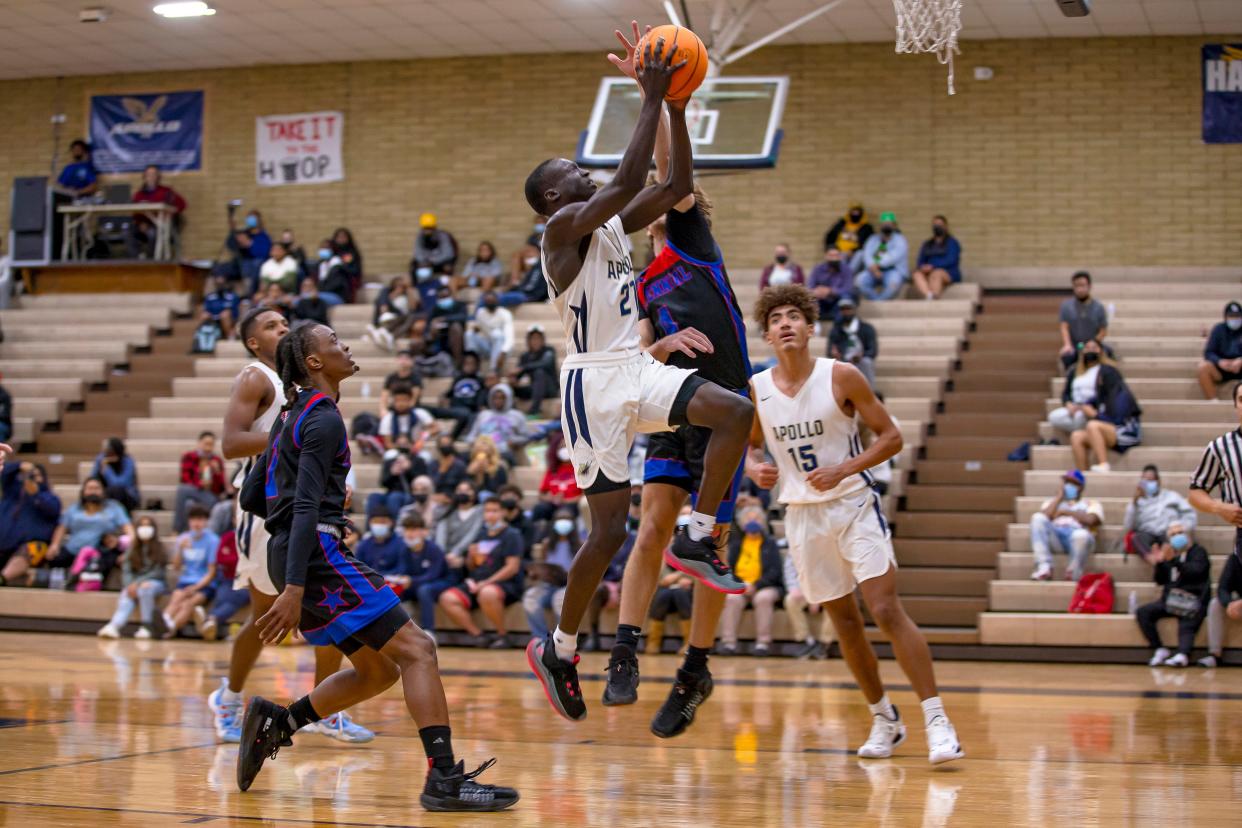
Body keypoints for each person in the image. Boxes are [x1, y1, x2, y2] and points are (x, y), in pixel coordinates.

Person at [522, 33, 753, 723]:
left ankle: (700, 531)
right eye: (573, 167)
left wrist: (676, 106)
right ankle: (560, 648)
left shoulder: (615, 229)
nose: (584, 169)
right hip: (593, 385)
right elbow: (624, 182)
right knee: (608, 534)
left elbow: (675, 187)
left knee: (735, 412)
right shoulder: (562, 229)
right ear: (556, 193)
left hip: (636, 368)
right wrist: (647, 95)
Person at [234, 321, 519, 810]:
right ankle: (444, 780)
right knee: (420, 650)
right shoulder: (322, 418)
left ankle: (280, 722)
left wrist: (300, 538)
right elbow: (302, 507)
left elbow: (251, 495)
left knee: (377, 671)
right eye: (334, 342)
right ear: (315, 362)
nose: (344, 346)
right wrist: (299, 583)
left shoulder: (287, 417)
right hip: (316, 556)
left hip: (291, 552)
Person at [594, 31, 755, 732]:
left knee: (705, 548)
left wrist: (657, 98)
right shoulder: (635, 276)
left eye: (668, 191)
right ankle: (625, 650)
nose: (660, 193)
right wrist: (661, 341)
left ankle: (695, 667)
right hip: (676, 408)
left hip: (725, 410)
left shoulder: (693, 242)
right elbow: (635, 349)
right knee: (652, 525)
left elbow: (673, 174)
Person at [744, 283, 963, 765]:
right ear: (766, 335)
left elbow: (892, 437)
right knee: (843, 623)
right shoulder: (757, 390)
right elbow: (752, 445)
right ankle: (885, 718)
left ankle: (936, 719)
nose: (785, 323)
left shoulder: (842, 376)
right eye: (776, 318)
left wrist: (844, 467)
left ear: (810, 326)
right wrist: (754, 465)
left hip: (853, 505)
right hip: (801, 515)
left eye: (793, 316)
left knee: (884, 609)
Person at [208, 306, 373, 745]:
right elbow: (230, 444)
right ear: (253, 343)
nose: (281, 328)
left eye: (285, 323)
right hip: (266, 510)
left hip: (309, 507)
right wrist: (294, 432)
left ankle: (325, 708)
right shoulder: (255, 377)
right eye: (270, 326)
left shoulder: (303, 386)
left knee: (329, 603)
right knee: (266, 614)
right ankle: (229, 695)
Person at [1, 476, 132, 587]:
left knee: (105, 560)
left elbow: (128, 529)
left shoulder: (113, 507)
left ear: (103, 491)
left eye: (97, 488)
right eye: (89, 488)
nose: (93, 492)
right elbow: (62, 527)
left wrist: (129, 549)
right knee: (53, 558)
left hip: (99, 550)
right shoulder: (75, 508)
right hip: (73, 549)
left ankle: (78, 579)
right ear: (83, 491)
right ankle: (70, 577)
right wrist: (55, 545)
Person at [437, 497, 525, 648]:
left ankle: (503, 635)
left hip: (504, 584)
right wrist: (471, 557)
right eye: (487, 511)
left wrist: (487, 582)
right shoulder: (481, 533)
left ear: (503, 512)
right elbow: (473, 566)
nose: (490, 515)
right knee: (447, 598)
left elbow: (512, 568)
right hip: (477, 582)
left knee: (487, 593)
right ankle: (478, 636)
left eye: (494, 511)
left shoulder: (512, 535)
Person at [1135, 522, 1211, 668]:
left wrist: (1174, 561)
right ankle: (1159, 648)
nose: (1177, 536)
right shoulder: (1169, 554)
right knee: (1143, 612)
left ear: (1188, 535)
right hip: (1170, 600)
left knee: (1187, 618)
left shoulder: (1198, 552)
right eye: (1173, 534)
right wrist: (1159, 563)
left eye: (1180, 532)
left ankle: (1183, 654)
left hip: (1193, 599)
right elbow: (1160, 580)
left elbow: (1195, 572)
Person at [1064, 340, 1142, 473]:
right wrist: (1084, 407)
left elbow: (1117, 420)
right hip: (1110, 431)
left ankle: (1103, 464)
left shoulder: (1121, 397)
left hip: (1127, 432)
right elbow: (1091, 402)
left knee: (1092, 425)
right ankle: (1081, 475)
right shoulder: (1101, 394)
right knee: (1076, 436)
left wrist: (1095, 415)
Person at [717, 505, 785, 656]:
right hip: (741, 586)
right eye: (749, 518)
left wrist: (756, 585)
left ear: (762, 522)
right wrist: (742, 585)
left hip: (765, 586)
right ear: (742, 522)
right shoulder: (735, 544)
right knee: (731, 598)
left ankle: (763, 643)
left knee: (763, 598)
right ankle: (729, 643)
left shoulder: (770, 543)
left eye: (757, 518)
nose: (753, 521)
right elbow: (729, 570)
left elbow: (775, 571)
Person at [97, 516, 167, 639]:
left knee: (145, 590)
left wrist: (139, 583)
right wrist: (130, 585)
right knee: (126, 594)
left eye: (148, 526)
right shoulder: (132, 549)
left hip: (156, 583)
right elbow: (126, 570)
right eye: (142, 526)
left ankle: (147, 626)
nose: (145, 529)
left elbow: (158, 572)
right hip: (135, 584)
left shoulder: (159, 548)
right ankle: (114, 625)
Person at [1028, 469, 1103, 581]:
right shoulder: (1051, 503)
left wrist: (1065, 512)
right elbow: (1043, 519)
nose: (1069, 485)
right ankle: (1044, 567)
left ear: (1081, 487)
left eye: (1073, 483)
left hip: (1079, 540)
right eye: (1066, 482)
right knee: (1037, 518)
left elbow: (1091, 520)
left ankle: (1073, 572)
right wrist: (1058, 498)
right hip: (1057, 539)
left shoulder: (1091, 504)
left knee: (1080, 534)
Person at [160, 505, 219, 638]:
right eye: (193, 520)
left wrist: (195, 588)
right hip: (186, 581)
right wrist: (180, 549)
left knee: (188, 604)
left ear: (206, 522)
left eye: (200, 520)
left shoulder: (213, 540)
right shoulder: (183, 538)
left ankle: (170, 628)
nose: (196, 523)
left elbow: (211, 572)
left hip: (205, 584)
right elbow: (176, 567)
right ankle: (164, 622)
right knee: (176, 598)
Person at [0, 460, 61, 587]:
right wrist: (18, 466)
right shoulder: (12, 494)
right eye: (30, 474)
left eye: (37, 475)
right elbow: (4, 473)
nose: (33, 478)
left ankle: (2, 578)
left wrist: (35, 495)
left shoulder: (51, 498)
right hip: (4, 544)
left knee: (30, 549)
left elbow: (51, 510)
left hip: (33, 547)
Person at [523, 509, 579, 642]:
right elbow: (544, 565)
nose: (563, 523)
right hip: (548, 585)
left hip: (568, 586)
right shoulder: (547, 545)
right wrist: (537, 573)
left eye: (567, 519)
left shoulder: (580, 545)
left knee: (560, 600)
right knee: (530, 598)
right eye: (559, 519)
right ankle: (541, 638)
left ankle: (562, 640)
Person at [1123, 465, 1197, 561]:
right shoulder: (1136, 502)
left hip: (1167, 532)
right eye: (1144, 481)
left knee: (1177, 538)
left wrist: (1181, 526)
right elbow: (1129, 527)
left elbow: (1190, 514)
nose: (1147, 483)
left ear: (1158, 481)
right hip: (1147, 534)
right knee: (1136, 538)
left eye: (1150, 480)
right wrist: (1134, 503)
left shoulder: (1172, 496)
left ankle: (1163, 556)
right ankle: (1153, 559)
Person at [199, 529, 251, 642]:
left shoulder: (252, 535)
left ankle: (210, 619)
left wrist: (232, 558)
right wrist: (238, 559)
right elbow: (220, 559)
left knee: (235, 598)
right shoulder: (227, 536)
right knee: (222, 597)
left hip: (248, 581)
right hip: (228, 579)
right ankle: (211, 625)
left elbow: (250, 562)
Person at [783, 545, 835, 659]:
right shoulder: (796, 542)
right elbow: (789, 570)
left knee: (835, 605)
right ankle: (805, 640)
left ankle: (824, 643)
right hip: (804, 589)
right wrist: (793, 588)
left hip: (829, 589)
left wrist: (817, 597)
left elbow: (832, 574)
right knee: (790, 600)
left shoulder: (826, 544)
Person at [174, 431, 231, 533]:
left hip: (210, 496)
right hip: (195, 493)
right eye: (206, 444)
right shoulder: (189, 457)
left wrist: (217, 472)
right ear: (199, 443)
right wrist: (200, 483)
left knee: (183, 492)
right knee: (187, 500)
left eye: (211, 444)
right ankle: (181, 530)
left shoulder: (216, 460)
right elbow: (185, 479)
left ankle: (178, 530)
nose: (208, 447)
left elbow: (221, 488)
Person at [128, 165, 187, 259]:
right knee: (129, 229)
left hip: (160, 224)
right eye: (149, 174)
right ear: (144, 177)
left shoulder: (166, 191)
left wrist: (170, 213)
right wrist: (140, 224)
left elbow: (182, 204)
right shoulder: (139, 194)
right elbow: (135, 212)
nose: (151, 177)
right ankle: (135, 259)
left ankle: (153, 260)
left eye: (154, 174)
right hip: (143, 224)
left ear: (158, 176)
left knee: (153, 233)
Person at [1058, 271, 1109, 368]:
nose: (1080, 289)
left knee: (1108, 353)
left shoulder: (1098, 307)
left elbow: (1103, 330)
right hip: (1076, 346)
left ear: (1089, 286)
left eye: (1082, 285)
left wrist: (1093, 343)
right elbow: (1064, 327)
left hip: (1094, 345)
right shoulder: (1066, 306)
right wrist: (1067, 344)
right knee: (1067, 356)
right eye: (1076, 286)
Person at [464, 385, 529, 459]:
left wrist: (512, 441)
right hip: (482, 450)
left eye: (502, 398)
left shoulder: (517, 415)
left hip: (503, 452)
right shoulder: (483, 414)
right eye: (495, 398)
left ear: (508, 398)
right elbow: (470, 437)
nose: (498, 401)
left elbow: (526, 437)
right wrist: (476, 442)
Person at [856, 212, 909, 302]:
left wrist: (876, 265)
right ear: (880, 225)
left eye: (889, 224)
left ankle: (878, 302)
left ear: (895, 226)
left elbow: (893, 257)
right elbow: (866, 254)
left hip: (893, 270)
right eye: (884, 223)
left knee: (893, 285)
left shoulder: (900, 239)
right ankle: (877, 301)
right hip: (872, 270)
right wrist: (873, 267)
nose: (887, 226)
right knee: (859, 281)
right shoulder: (873, 239)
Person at [1201, 551, 1241, 668]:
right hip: (1239, 604)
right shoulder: (1234, 559)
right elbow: (1222, 588)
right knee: (1215, 604)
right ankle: (1215, 655)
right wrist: (1229, 604)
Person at [828, 296, 878, 388]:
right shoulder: (836, 330)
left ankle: (870, 393)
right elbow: (829, 351)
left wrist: (861, 356)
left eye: (848, 308)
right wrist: (834, 354)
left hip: (861, 360)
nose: (846, 312)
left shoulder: (866, 328)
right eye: (843, 309)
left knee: (867, 362)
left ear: (854, 309)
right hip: (843, 360)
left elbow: (872, 350)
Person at [1197, 301, 1242, 400]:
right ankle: (1213, 400)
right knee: (1203, 367)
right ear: (1225, 317)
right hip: (1222, 368)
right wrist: (1219, 361)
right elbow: (1208, 352)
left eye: (1237, 316)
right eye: (1232, 316)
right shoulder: (1218, 329)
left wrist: (1240, 361)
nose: (1235, 319)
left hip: (1240, 367)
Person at [511, 325, 558, 416]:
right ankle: (512, 414)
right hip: (535, 389)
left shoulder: (549, 351)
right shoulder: (525, 356)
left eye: (538, 338)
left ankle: (535, 410)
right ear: (528, 341)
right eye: (533, 339)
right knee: (510, 386)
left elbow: (545, 363)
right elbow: (519, 373)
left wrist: (523, 368)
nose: (535, 342)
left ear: (543, 340)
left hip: (550, 389)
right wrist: (513, 379)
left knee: (539, 372)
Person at [912, 215, 962, 300]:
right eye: (935, 224)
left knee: (936, 273)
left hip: (948, 272)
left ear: (945, 226)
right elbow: (920, 261)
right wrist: (923, 267)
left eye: (940, 224)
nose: (937, 227)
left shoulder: (952, 242)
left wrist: (933, 266)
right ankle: (929, 296)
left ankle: (934, 298)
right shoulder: (927, 244)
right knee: (916, 274)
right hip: (928, 272)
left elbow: (951, 260)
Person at [467, 291, 515, 375]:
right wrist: (476, 329)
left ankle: (494, 370)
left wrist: (503, 352)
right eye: (488, 301)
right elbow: (479, 327)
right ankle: (472, 364)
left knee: (497, 334)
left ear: (497, 301)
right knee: (469, 334)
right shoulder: (480, 313)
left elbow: (509, 337)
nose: (490, 303)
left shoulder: (505, 314)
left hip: (502, 349)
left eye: (492, 300)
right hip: (488, 347)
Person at [90, 437, 140, 514]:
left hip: (126, 496)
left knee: (116, 491)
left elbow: (120, 484)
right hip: (105, 494)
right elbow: (92, 479)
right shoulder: (101, 458)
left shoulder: (128, 461)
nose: (107, 454)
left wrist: (107, 470)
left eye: (110, 451)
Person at [807, 247, 857, 322]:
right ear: (826, 256)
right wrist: (817, 291)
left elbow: (848, 288)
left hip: (837, 302)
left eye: (836, 255)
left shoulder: (847, 270)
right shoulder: (818, 268)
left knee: (847, 297)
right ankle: (815, 326)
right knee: (810, 299)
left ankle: (839, 326)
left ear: (840, 257)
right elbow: (810, 286)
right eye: (831, 255)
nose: (834, 258)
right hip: (821, 302)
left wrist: (830, 291)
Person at [411, 212, 458, 279]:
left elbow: (448, 253)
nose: (428, 231)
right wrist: (423, 261)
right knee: (413, 265)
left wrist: (433, 261)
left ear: (434, 227)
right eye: (426, 228)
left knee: (448, 267)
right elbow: (417, 252)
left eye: (430, 228)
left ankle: (446, 284)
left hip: (439, 261)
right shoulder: (420, 237)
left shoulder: (442, 236)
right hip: (425, 262)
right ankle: (416, 286)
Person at [379, 350, 423, 417]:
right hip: (396, 407)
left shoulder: (415, 377)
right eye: (401, 358)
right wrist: (383, 409)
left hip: (412, 408)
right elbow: (384, 396)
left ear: (411, 361)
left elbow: (414, 398)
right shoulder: (391, 378)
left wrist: (405, 410)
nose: (403, 361)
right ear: (396, 360)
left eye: (406, 359)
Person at [203, 274, 242, 339]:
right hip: (214, 318)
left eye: (222, 284)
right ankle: (204, 336)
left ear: (225, 284)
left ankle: (229, 336)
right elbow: (207, 310)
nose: (220, 286)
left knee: (225, 314)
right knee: (204, 315)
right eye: (218, 284)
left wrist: (234, 324)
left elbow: (236, 313)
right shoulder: (210, 297)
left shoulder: (233, 297)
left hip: (229, 320)